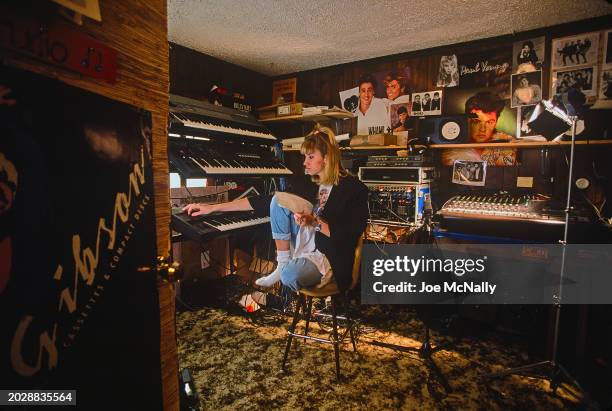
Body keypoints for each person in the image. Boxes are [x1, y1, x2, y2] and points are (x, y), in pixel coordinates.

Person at [182, 126, 368, 293]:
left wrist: (315, 222)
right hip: (305, 248)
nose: (305, 162)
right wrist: (212, 208)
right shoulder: (308, 184)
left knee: (289, 277)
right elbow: (262, 202)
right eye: (305, 157)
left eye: (310, 157)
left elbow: (348, 236)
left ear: (326, 159)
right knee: (277, 200)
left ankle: (287, 270)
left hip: (330, 257)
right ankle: (283, 263)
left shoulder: (354, 189)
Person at [442, 91, 516, 166]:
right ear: (467, 120)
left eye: (489, 122)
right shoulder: (452, 152)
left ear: (496, 122)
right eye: (476, 122)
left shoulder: (507, 145)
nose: (483, 129)